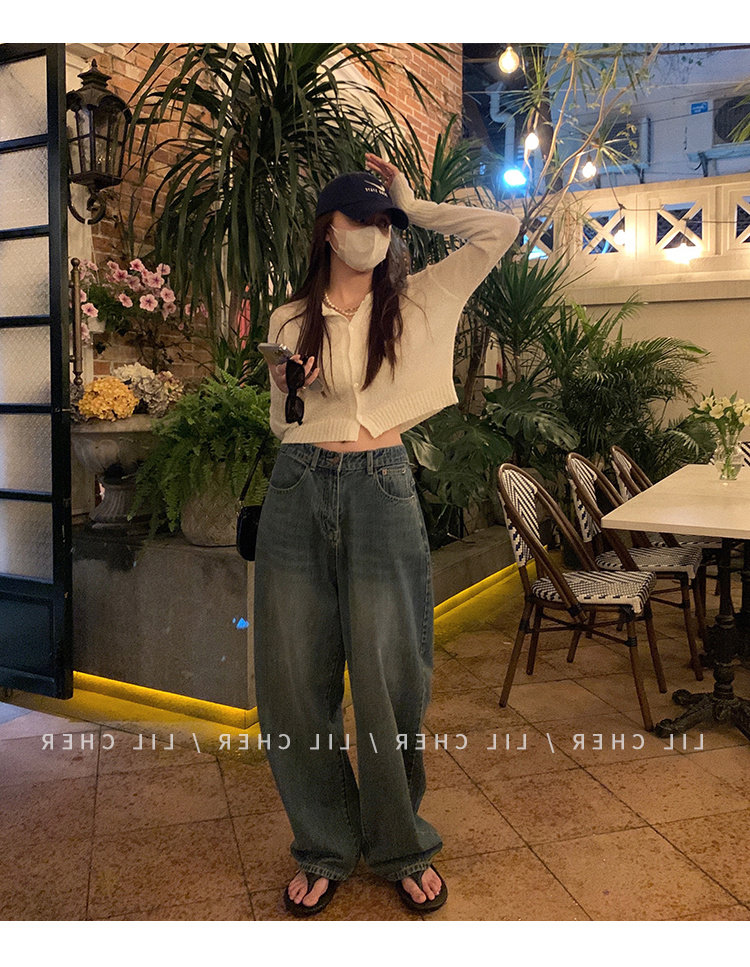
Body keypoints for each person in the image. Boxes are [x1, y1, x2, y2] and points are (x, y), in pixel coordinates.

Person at [254, 153, 519, 917]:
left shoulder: (423, 298)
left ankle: (401, 843)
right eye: (361, 219)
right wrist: (291, 387)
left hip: (382, 486)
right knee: (292, 680)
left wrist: (415, 203)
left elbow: (501, 229)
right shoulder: (288, 318)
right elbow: (283, 422)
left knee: (390, 677)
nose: (373, 233)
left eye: (383, 223)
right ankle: (323, 844)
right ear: (327, 229)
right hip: (299, 486)